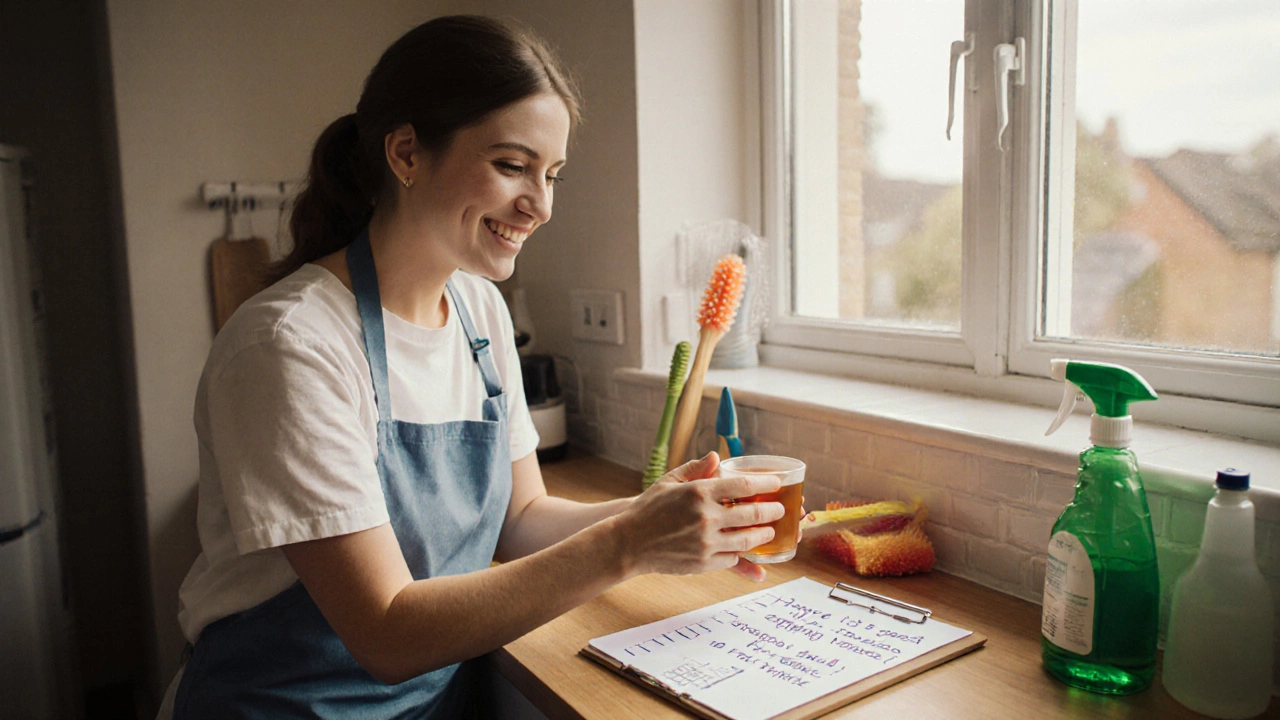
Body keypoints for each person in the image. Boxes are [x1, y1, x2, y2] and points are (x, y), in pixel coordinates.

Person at [158, 15, 788, 719]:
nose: (540, 205)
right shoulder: (289, 344)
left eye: (551, 175)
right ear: (405, 154)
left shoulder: (480, 311)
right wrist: (630, 542)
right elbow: (386, 631)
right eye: (512, 166)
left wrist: (656, 513)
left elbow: (520, 516)